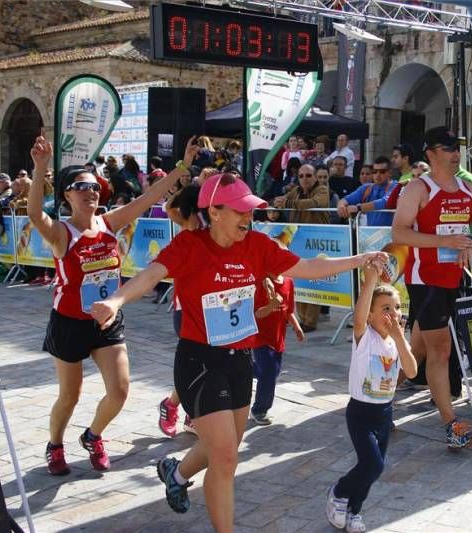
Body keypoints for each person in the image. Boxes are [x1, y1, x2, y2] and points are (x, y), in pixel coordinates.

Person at [90, 171, 388, 531]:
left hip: (239, 360)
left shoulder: (258, 246)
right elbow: (151, 275)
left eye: (251, 211)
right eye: (240, 211)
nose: (248, 217)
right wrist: (116, 300)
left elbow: (308, 267)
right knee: (227, 458)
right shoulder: (190, 245)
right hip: (199, 360)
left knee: (223, 448)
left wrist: (361, 259)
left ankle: (176, 472)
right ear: (214, 212)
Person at [27, 133, 199, 476]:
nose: (90, 191)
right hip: (69, 323)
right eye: (80, 186)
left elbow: (151, 195)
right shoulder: (62, 233)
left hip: (106, 321)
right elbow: (34, 214)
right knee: (69, 396)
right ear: (66, 196)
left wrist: (183, 166)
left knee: (120, 390)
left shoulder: (109, 223)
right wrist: (39, 169)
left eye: (94, 186)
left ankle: (93, 436)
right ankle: (55, 444)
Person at [392, 126, 472, 450]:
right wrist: (443, 241)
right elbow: (400, 233)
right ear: (430, 154)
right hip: (426, 279)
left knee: (416, 351)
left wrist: (471, 244)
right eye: (447, 148)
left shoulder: (466, 187)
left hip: (454, 278)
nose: (454, 154)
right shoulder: (418, 188)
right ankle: (451, 425)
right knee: (440, 351)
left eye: (456, 147)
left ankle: (376, 396)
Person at [325, 260, 417, 532]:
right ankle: (339, 491)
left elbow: (411, 371)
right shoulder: (364, 337)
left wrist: (401, 339)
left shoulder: (396, 342)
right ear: (371, 314)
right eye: (385, 308)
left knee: (373, 468)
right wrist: (371, 279)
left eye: (397, 307)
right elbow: (358, 316)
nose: (393, 313)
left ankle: (355, 510)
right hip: (360, 413)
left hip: (384, 413)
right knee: (373, 464)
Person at [158, 184, 203, 437]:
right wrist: (191, 183)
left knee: (204, 365)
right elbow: (169, 207)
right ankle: (178, 407)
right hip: (186, 311)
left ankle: (180, 407)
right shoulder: (186, 230)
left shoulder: (221, 230)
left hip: (214, 309)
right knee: (195, 366)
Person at [274, 164, 330, 331]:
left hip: (316, 240)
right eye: (301, 176)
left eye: (308, 175)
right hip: (298, 240)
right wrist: (278, 201)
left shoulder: (322, 190)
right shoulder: (296, 191)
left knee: (314, 279)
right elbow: (282, 201)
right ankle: (303, 318)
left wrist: (288, 202)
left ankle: (310, 321)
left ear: (314, 176)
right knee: (299, 277)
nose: (304, 179)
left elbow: (313, 203)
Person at [250, 270, 304, 425]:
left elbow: (288, 310)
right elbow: (256, 314)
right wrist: (271, 305)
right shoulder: (261, 282)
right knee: (269, 374)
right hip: (260, 339)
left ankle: (243, 368)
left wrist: (297, 327)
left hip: (278, 339)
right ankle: (259, 410)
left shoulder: (288, 282)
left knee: (272, 372)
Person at [337, 156, 397, 227]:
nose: (377, 175)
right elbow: (345, 199)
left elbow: (385, 202)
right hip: (368, 234)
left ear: (390, 173)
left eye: (382, 172)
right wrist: (341, 206)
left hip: (390, 235)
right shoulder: (366, 188)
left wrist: (358, 208)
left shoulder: (396, 186)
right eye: (375, 172)